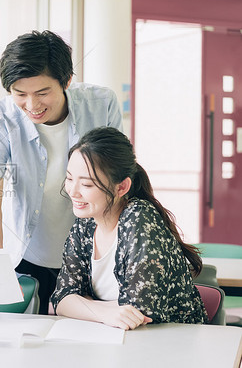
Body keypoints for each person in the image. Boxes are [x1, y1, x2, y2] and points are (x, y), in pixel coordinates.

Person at [0, 30, 122, 314]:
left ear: (66, 81)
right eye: (20, 94)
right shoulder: (0, 121)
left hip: (91, 256)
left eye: (42, 93)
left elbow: (116, 182)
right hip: (28, 257)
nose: (32, 105)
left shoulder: (101, 104)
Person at [51, 127, 207, 329]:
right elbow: (62, 298)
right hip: (114, 340)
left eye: (87, 185)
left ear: (121, 187)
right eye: (70, 178)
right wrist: (106, 312)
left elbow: (140, 312)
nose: (73, 191)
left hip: (173, 343)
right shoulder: (85, 224)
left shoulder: (138, 218)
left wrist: (86, 304)